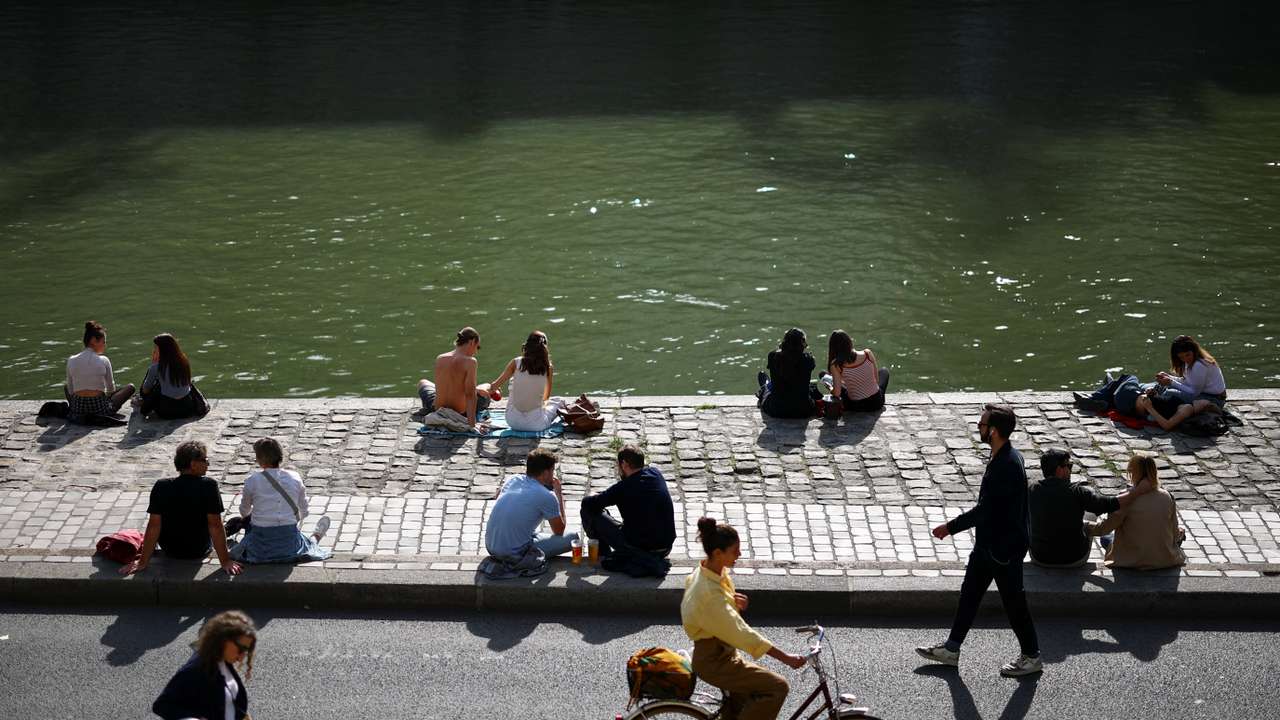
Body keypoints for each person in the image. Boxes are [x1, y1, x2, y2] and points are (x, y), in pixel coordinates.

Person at [916, 404, 1041, 677]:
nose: (979, 427)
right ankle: (951, 649)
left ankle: (1031, 656)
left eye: (982, 424)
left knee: (1014, 603)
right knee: (969, 595)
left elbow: (985, 510)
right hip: (989, 544)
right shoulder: (1004, 456)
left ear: (994, 431)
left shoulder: (1005, 466)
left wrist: (950, 527)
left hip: (1002, 549)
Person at [680, 517, 806, 720]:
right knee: (777, 687)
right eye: (734, 550)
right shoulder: (708, 593)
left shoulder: (707, 572)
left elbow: (720, 613)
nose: (739, 554)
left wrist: (735, 603)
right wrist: (786, 658)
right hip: (716, 661)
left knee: (742, 704)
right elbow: (741, 633)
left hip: (720, 654)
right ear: (717, 553)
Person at [121, 441, 242, 576]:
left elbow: (154, 526)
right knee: (226, 525)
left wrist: (143, 561)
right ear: (193, 464)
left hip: (170, 549)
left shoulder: (161, 486)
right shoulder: (208, 486)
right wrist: (225, 561)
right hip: (198, 549)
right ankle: (232, 527)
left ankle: (231, 527)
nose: (208, 464)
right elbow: (215, 525)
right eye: (205, 460)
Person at [1028, 448, 1150, 567]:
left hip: (1040, 557)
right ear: (1059, 470)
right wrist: (1137, 491)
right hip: (1074, 558)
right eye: (1069, 466)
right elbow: (1108, 504)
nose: (1070, 470)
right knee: (1090, 516)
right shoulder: (1077, 492)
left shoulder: (1032, 490)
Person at [224, 438, 332, 564]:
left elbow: (244, 511)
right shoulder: (295, 477)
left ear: (259, 459)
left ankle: (229, 533)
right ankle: (317, 535)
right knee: (309, 546)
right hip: (288, 543)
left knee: (241, 540)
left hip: (260, 546)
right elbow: (304, 512)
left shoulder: (252, 481)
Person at [1087, 454, 1187, 570]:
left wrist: (1084, 526)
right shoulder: (1167, 496)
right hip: (1165, 560)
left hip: (1132, 561)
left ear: (1133, 472)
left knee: (1106, 538)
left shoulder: (1126, 497)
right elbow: (1174, 533)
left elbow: (1104, 528)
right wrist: (1180, 533)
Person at [152, 610, 255, 720]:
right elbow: (162, 705)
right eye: (240, 649)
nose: (241, 658)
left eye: (246, 651)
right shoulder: (195, 670)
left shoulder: (224, 661)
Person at [580, 445, 676, 559]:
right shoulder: (656, 474)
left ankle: (604, 555)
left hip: (640, 550)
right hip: (665, 547)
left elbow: (588, 503)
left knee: (589, 511)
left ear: (624, 464)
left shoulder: (622, 488)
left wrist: (593, 496)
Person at [485, 448, 574, 559]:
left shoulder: (512, 479)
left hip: (490, 546)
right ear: (546, 473)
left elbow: (498, 497)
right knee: (573, 538)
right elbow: (559, 531)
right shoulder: (547, 496)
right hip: (511, 552)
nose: (553, 474)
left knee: (531, 528)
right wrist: (559, 494)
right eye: (552, 471)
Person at [415, 326, 492, 433]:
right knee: (486, 392)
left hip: (437, 409)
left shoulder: (440, 358)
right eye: (477, 347)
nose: (476, 352)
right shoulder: (470, 362)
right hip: (460, 413)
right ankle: (481, 390)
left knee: (422, 382)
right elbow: (470, 394)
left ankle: (427, 409)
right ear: (472, 342)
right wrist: (471, 424)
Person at [486, 330, 564, 432]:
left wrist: (485, 388)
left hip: (512, 421)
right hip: (536, 425)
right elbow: (546, 397)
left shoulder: (516, 362)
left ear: (527, 346)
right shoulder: (548, 367)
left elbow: (494, 387)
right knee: (559, 401)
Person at [64, 320, 134, 421]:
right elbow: (110, 390)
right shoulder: (104, 360)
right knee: (130, 387)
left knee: (66, 386)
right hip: (99, 410)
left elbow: (71, 391)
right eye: (103, 342)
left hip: (78, 409)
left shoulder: (71, 360)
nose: (105, 345)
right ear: (93, 340)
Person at [137, 333, 202, 420]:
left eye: (155, 348)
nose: (154, 351)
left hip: (167, 411)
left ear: (162, 350)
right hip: (187, 408)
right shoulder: (184, 361)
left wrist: (152, 366)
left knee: (155, 387)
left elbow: (145, 390)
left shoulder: (156, 367)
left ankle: (140, 401)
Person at [756, 328, 817, 418]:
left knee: (762, 376)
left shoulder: (773, 356)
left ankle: (764, 387)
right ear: (802, 344)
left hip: (776, 409)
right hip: (804, 410)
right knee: (811, 387)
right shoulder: (808, 359)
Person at [824, 330, 890, 412]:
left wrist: (830, 388)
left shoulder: (835, 364)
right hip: (876, 403)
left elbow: (837, 393)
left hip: (855, 406)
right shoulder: (867, 354)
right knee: (884, 371)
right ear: (849, 342)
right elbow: (876, 381)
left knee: (824, 376)